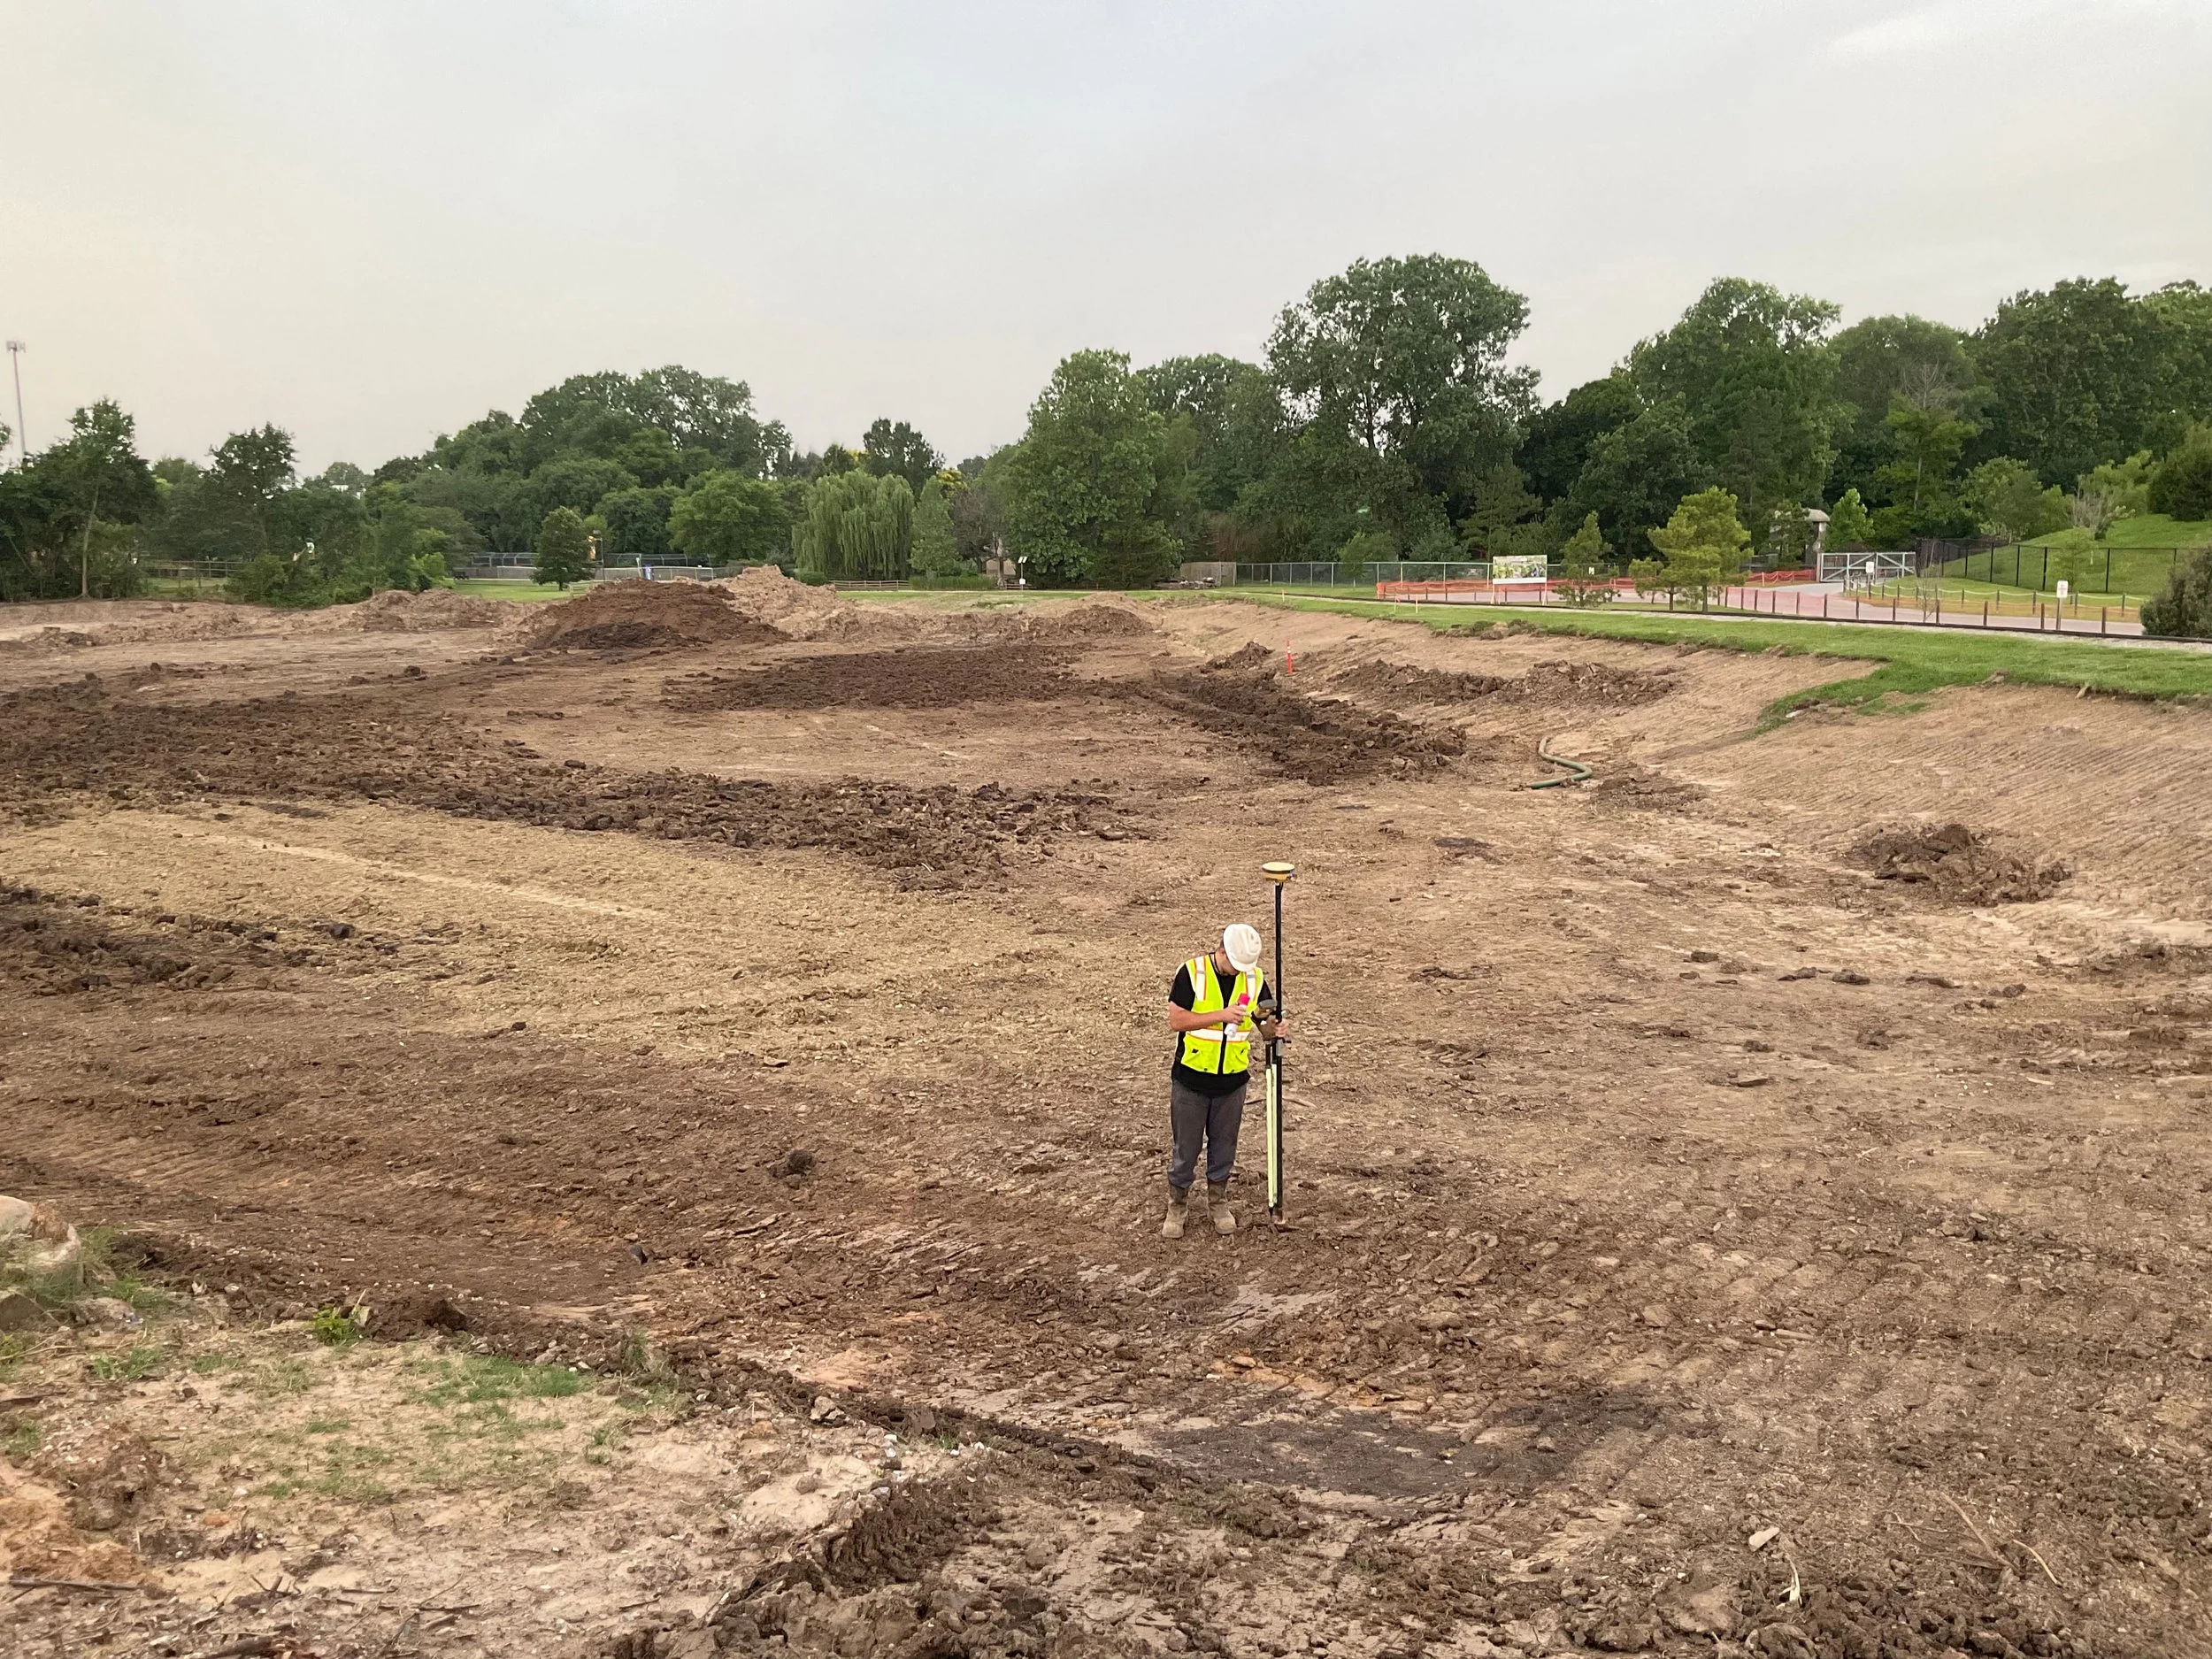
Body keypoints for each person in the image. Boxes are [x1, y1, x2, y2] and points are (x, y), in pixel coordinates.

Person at [1163, 923, 1283, 1240]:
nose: (1240, 971)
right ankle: (1178, 1205)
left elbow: (1264, 1026)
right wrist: (1221, 1015)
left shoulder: (1254, 979)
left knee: (1224, 1148)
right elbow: (1177, 1020)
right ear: (1221, 952)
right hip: (1191, 1080)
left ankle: (1218, 1202)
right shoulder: (1192, 973)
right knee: (1185, 1150)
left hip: (1232, 1081)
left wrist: (1275, 1031)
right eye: (1235, 965)